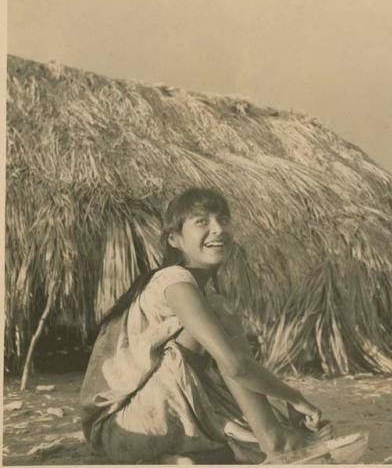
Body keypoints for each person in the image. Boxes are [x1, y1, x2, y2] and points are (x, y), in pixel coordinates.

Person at [80, 187, 336, 464]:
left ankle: (234, 447)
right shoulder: (173, 280)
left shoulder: (205, 292)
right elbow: (235, 366)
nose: (217, 229)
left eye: (223, 220)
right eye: (202, 221)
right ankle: (277, 442)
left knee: (247, 440)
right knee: (221, 316)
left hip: (146, 422)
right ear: (174, 239)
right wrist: (293, 396)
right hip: (123, 425)